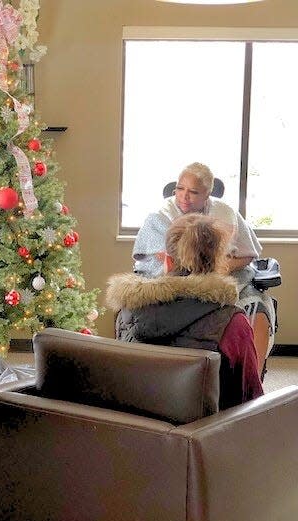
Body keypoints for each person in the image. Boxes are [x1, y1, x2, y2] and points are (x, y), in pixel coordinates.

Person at [132, 162, 274, 377]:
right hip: (173, 280)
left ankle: (252, 376)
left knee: (258, 311)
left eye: (193, 191)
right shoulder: (160, 217)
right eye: (180, 189)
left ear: (207, 194)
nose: (184, 197)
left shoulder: (225, 214)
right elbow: (156, 262)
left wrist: (221, 269)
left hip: (225, 275)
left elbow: (248, 254)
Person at [107, 214, 263, 409]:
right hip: (205, 435)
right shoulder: (233, 323)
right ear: (219, 262)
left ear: (168, 261)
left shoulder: (127, 312)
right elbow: (250, 400)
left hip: (139, 432)